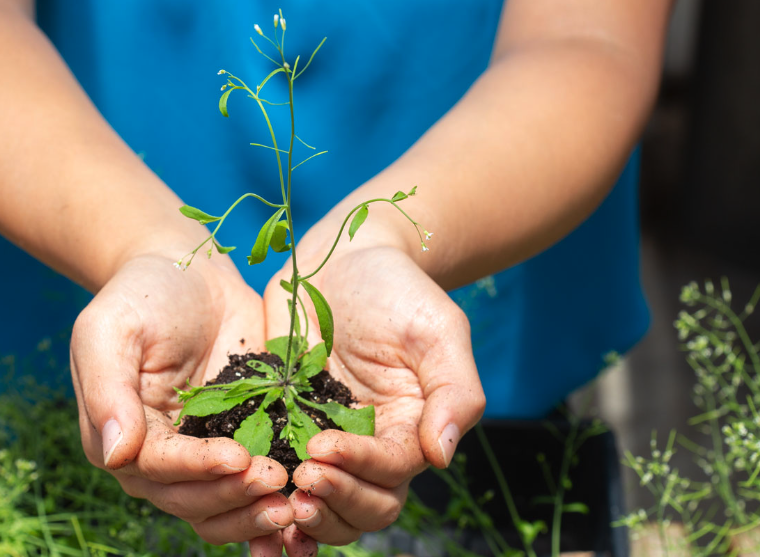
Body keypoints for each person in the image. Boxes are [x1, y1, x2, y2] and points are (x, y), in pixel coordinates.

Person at [0, 0, 674, 555]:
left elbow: (587, 38)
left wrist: (387, 234)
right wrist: (141, 245)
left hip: (475, 225)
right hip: (78, 231)